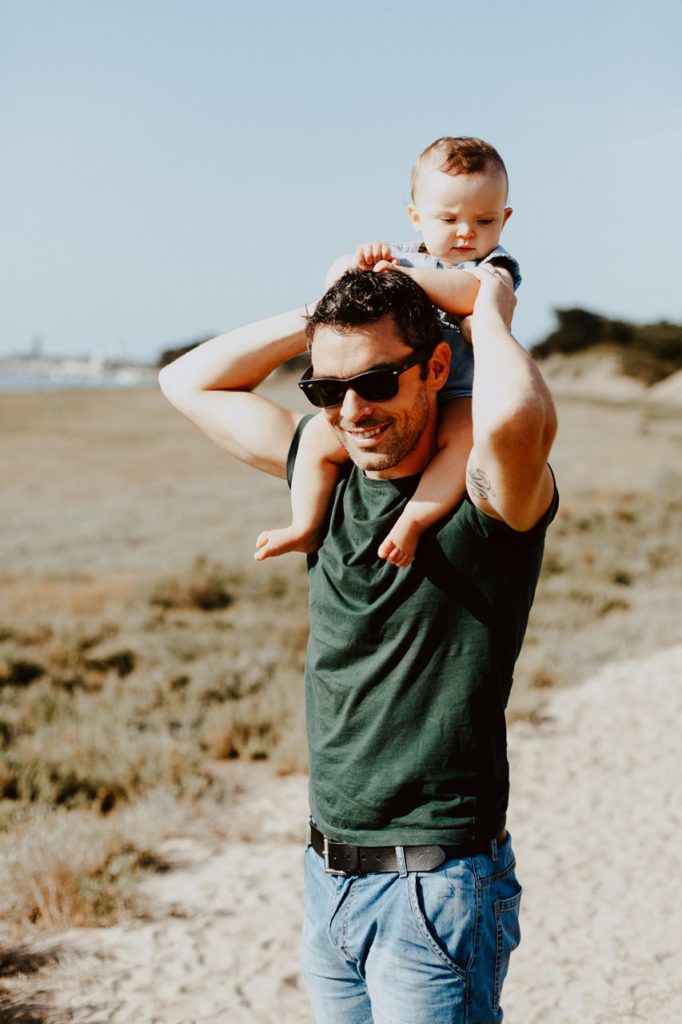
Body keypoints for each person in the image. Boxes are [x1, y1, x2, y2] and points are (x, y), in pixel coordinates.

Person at [159, 263, 558, 1023]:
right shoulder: (329, 474)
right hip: (326, 872)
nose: (352, 411)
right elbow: (187, 382)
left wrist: (488, 306)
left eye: (377, 382)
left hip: (435, 886)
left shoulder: (486, 498)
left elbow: (516, 420)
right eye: (324, 388)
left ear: (437, 367)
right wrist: (321, 308)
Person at [255, 136, 521, 568]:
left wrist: (404, 277)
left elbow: (471, 293)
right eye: (449, 218)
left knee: (463, 442)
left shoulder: (492, 266)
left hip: (460, 391)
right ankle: (304, 524)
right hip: (407, 382)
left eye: (485, 219)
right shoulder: (404, 257)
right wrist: (358, 266)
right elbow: (338, 279)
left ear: (505, 219)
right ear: (416, 218)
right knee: (319, 439)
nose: (467, 232)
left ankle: (414, 518)